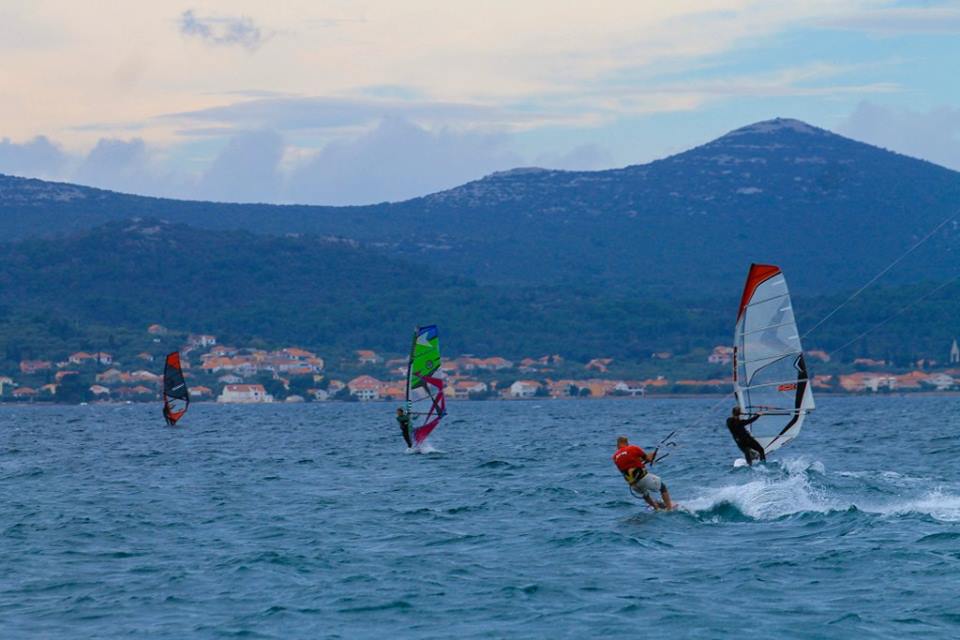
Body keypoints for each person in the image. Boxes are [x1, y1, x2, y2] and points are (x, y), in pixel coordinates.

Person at [612, 436, 674, 510]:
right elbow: (648, 459)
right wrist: (651, 456)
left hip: (633, 485)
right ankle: (670, 509)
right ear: (627, 443)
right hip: (643, 478)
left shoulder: (615, 457)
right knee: (662, 487)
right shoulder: (632, 448)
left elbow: (628, 465)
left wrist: (642, 461)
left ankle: (656, 508)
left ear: (617, 445)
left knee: (645, 495)